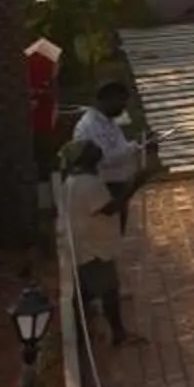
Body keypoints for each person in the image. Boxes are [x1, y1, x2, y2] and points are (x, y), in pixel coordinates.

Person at [62, 141, 134, 346]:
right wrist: (134, 185)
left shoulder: (73, 180)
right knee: (109, 290)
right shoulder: (88, 183)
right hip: (93, 249)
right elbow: (110, 208)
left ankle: (82, 337)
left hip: (83, 245)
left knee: (84, 293)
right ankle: (118, 333)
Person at [72, 79, 147, 229]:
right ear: (106, 100)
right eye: (120, 102)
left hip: (118, 183)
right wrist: (134, 147)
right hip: (103, 186)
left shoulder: (109, 121)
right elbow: (105, 157)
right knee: (106, 231)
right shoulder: (90, 126)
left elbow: (119, 146)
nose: (123, 107)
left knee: (117, 232)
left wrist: (139, 144)